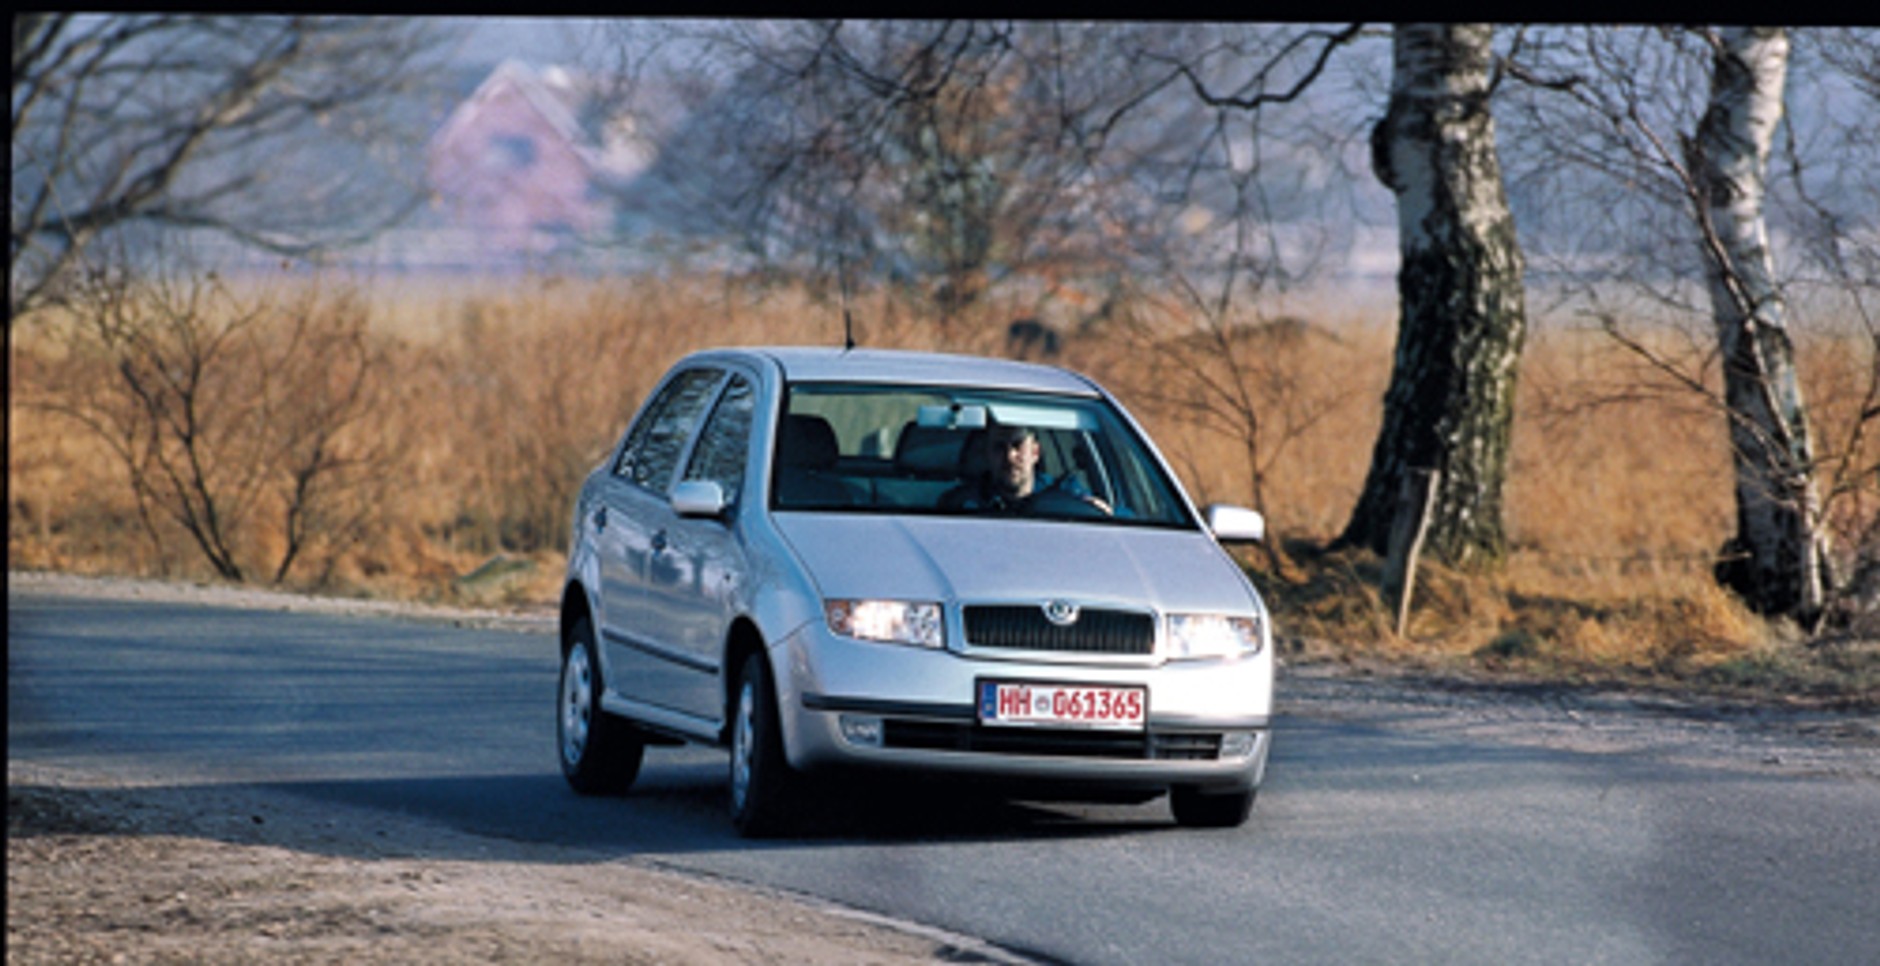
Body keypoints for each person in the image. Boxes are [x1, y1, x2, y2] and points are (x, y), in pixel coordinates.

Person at [939, 422, 1113, 515]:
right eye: (999, 447)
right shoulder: (960, 504)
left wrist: (1099, 511)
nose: (1010, 456)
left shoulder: (1066, 495)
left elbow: (1123, 517)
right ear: (987, 455)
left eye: (1017, 444)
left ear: (1035, 452)